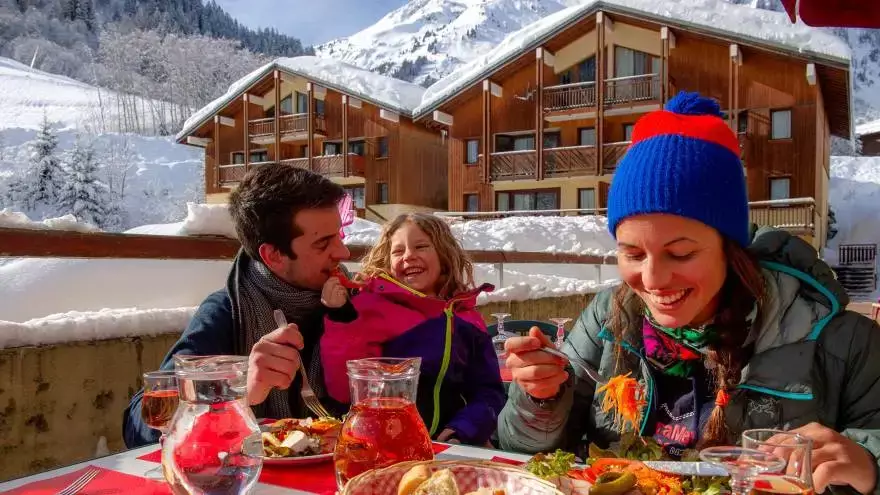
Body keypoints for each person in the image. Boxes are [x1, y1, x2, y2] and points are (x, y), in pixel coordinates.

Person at [497, 92, 880, 494]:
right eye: (632, 253)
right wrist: (540, 399)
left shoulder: (843, 343)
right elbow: (522, 452)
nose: (653, 279)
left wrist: (867, 465)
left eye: (680, 253)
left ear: (730, 251)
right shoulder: (610, 318)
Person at [123, 164, 352, 448]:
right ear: (274, 255)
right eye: (323, 244)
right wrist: (237, 391)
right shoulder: (227, 312)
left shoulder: (357, 302)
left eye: (340, 236)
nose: (343, 253)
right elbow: (138, 428)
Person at [319, 213, 506, 446]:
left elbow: (488, 390)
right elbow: (344, 390)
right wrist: (341, 317)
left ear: (443, 255)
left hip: (451, 445)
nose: (409, 256)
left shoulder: (467, 317)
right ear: (387, 261)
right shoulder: (370, 308)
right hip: (386, 445)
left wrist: (465, 430)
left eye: (421, 246)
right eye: (398, 251)